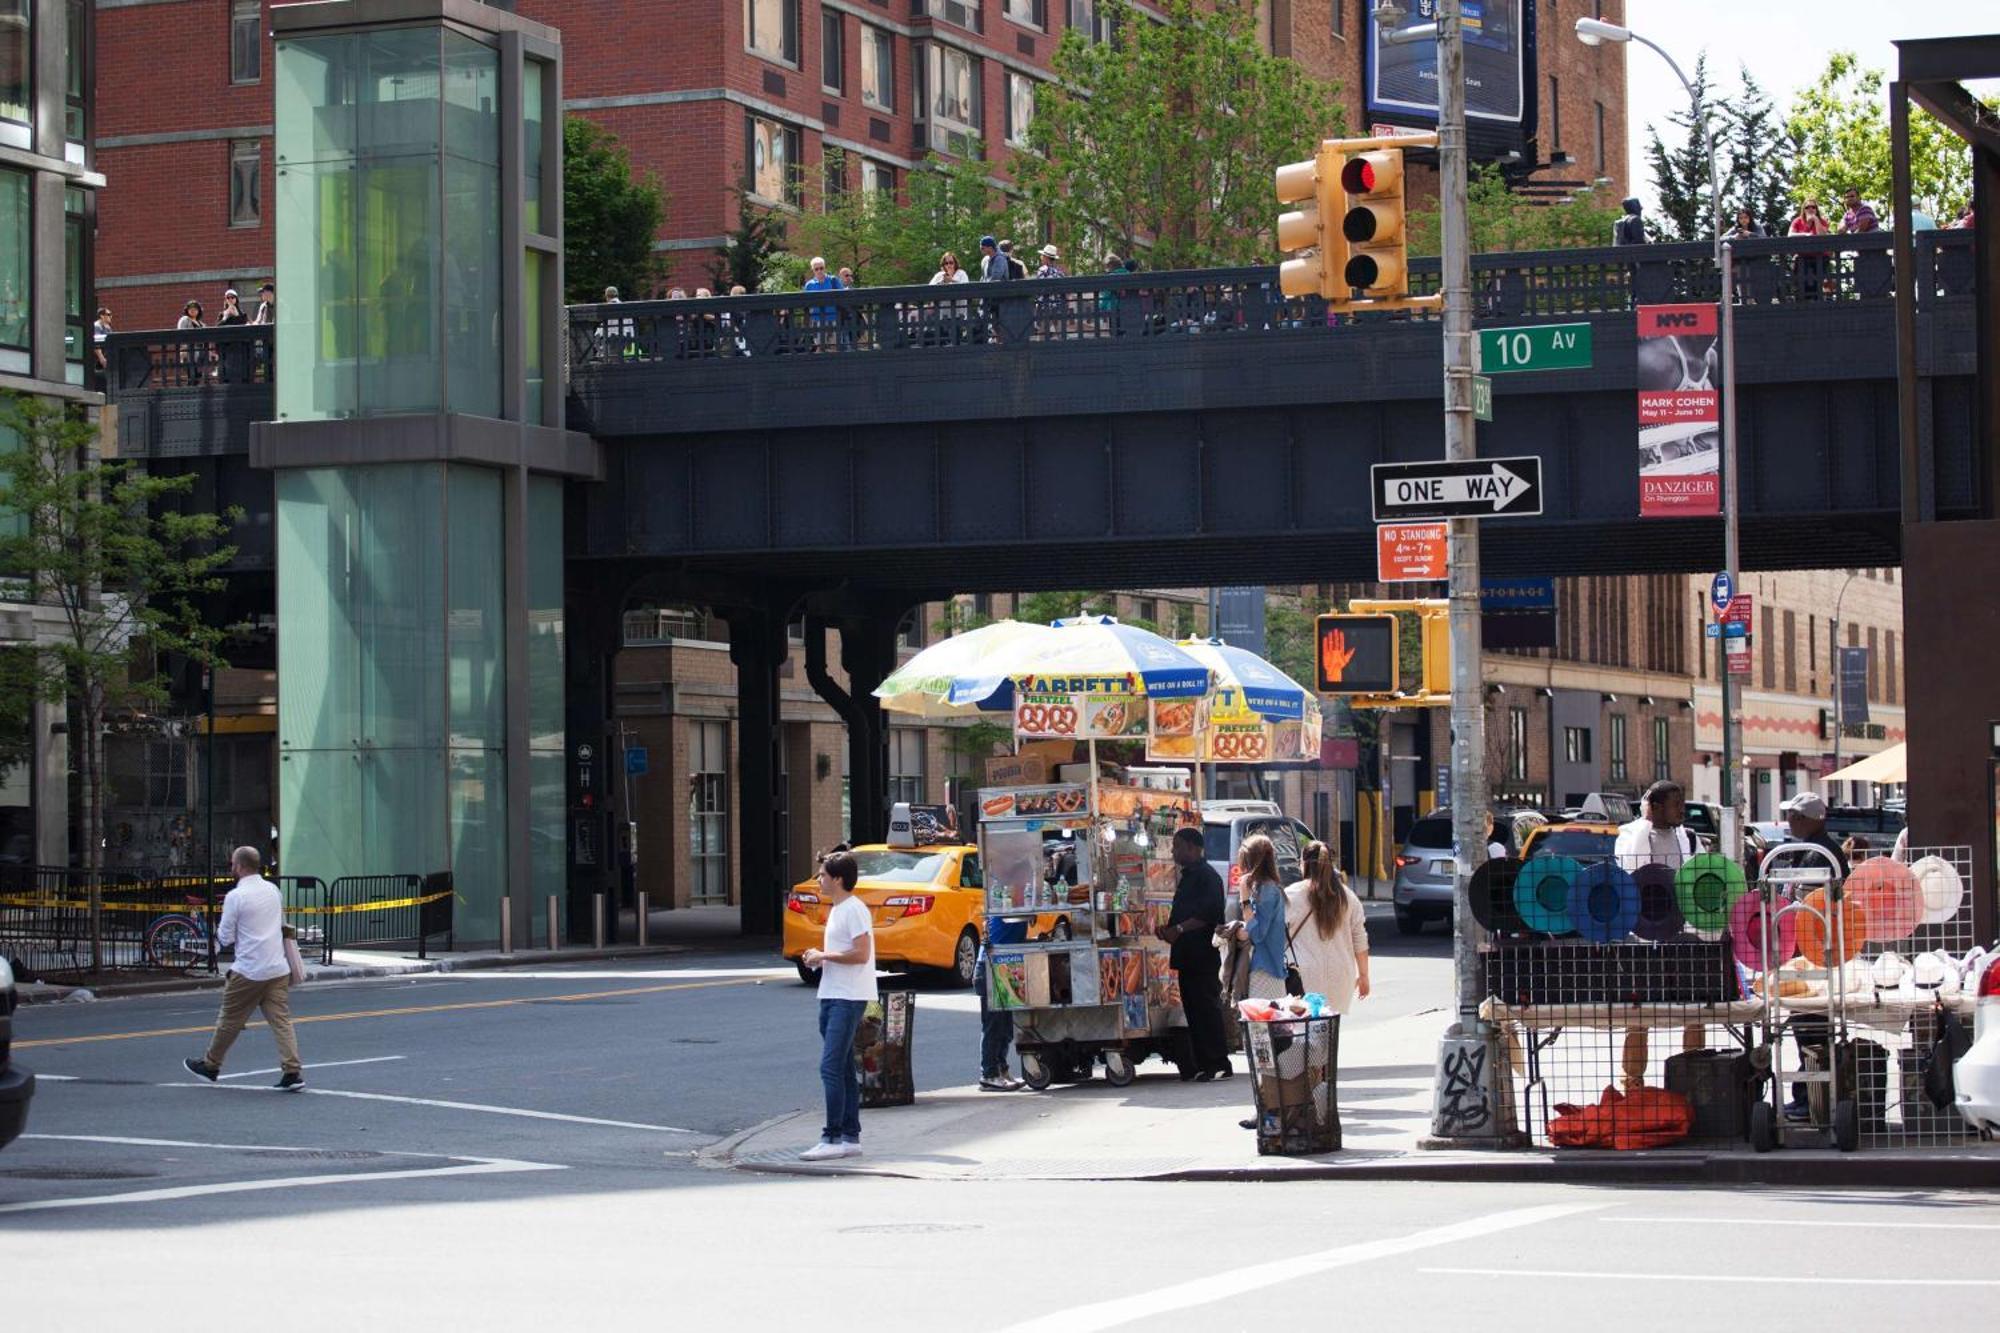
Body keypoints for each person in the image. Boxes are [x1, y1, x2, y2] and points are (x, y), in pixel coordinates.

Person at [182, 847, 304, 1090]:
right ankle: (292, 1071)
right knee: (281, 1021)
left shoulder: (236, 897)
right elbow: (279, 924)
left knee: (229, 1020)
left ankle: (211, 1065)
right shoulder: (273, 890)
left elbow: (225, 936)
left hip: (249, 969)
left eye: (233, 864)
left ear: (238, 866)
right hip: (277, 967)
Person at [1770, 791, 1848, 1122]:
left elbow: (1810, 909)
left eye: (1796, 817)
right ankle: (1809, 1099)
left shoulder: (1821, 854)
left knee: (1810, 1028)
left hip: (1814, 955)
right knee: (1808, 1028)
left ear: (1814, 819)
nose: (1791, 822)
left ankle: (1810, 1101)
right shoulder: (1813, 851)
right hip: (1810, 953)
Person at [799, 849, 874, 1160]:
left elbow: (862, 954)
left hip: (848, 996)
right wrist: (821, 959)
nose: (819, 880)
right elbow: (850, 953)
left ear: (838, 880)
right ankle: (849, 1136)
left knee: (830, 1067)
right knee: (842, 1068)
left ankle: (831, 1138)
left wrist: (823, 956)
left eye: (823, 876)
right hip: (834, 993)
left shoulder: (854, 909)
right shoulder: (839, 909)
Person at [1158, 826, 1229, 1081]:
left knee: (1206, 1009)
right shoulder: (1188, 876)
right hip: (1187, 956)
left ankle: (1217, 1062)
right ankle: (1203, 1063)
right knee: (1194, 1011)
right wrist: (1168, 930)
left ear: (1192, 848)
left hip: (1202, 955)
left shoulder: (1207, 876)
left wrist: (1178, 929)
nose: (1174, 851)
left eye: (1177, 846)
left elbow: (1207, 914)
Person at [1285, 841, 1370, 1012]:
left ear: (1304, 864)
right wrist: (1363, 976)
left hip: (1304, 977)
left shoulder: (1292, 895)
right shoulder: (1348, 897)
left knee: (1302, 1031)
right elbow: (1360, 940)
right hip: (1341, 977)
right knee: (1330, 1032)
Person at [977, 910, 1026, 1091]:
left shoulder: (1015, 903)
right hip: (990, 966)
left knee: (1005, 1026)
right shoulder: (1004, 905)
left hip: (1004, 965)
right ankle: (989, 1074)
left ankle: (1001, 1069)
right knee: (993, 1025)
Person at [1235, 835, 1288, 1000]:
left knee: (1262, 1024)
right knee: (1267, 1024)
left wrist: (1244, 899)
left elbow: (1258, 934)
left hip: (1265, 969)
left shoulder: (1266, 891)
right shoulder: (1266, 888)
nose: (1241, 868)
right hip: (1268, 967)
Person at [1613, 779, 1695, 872]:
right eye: (1676, 805)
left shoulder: (1688, 837)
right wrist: (1646, 820)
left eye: (1682, 805)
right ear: (1656, 807)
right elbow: (1631, 867)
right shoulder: (1629, 834)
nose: (1682, 810)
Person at [1789, 199, 1834, 298]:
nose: (1810, 209)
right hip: (1802, 257)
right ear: (1803, 209)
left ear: (1816, 209)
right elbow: (1790, 235)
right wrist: (1806, 234)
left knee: (1816, 285)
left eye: (1813, 207)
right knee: (1802, 285)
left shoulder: (1822, 221)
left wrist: (1815, 220)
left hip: (1820, 257)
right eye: (1807, 207)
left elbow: (1822, 236)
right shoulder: (1797, 221)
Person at [802, 256, 844, 350]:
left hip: (833, 319)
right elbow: (805, 304)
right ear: (813, 270)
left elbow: (843, 296)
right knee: (820, 348)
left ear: (825, 268)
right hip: (817, 320)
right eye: (816, 269)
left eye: (821, 268)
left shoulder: (833, 280)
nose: (819, 271)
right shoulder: (809, 285)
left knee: (835, 348)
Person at [91, 306, 112, 374]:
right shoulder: (97, 326)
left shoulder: (107, 327)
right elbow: (96, 342)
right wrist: (101, 358)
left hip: (106, 356)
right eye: (108, 314)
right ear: (102, 316)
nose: (111, 316)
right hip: (97, 360)